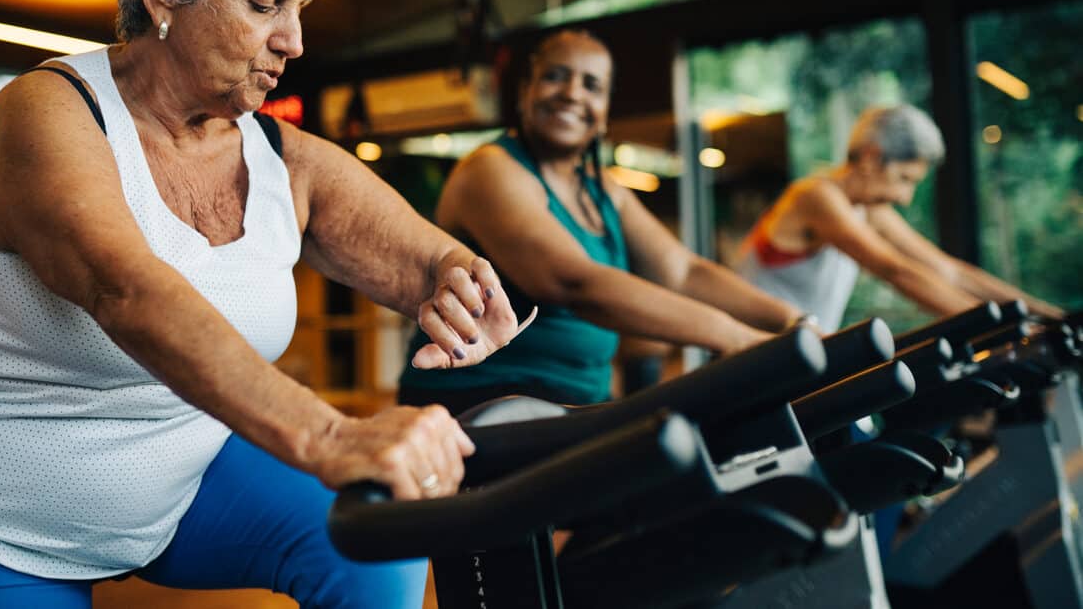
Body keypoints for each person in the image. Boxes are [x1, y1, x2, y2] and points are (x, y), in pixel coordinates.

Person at [0, 0, 529, 609]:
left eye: (300, 7)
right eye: (265, 1)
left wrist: (459, 285)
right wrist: (332, 435)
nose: (293, 40)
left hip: (171, 485)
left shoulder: (280, 156)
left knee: (377, 529)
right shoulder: (50, 112)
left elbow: (418, 259)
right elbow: (125, 290)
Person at [398, 29, 811, 415]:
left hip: (577, 403)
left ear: (605, 111)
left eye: (591, 85)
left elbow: (683, 271)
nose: (572, 93)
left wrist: (792, 320)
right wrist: (733, 338)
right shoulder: (490, 170)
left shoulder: (603, 189)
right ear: (525, 92)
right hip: (485, 404)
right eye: (556, 77)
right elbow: (574, 282)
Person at [735, 104, 1063, 332]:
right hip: (752, 359)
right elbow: (895, 270)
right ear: (871, 157)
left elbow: (951, 272)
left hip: (795, 356)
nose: (905, 198)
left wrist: (1048, 316)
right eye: (905, 179)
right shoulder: (814, 196)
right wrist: (1001, 328)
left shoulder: (868, 209)